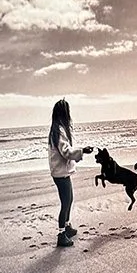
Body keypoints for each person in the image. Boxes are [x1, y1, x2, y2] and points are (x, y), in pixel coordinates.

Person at [47, 98, 91, 248]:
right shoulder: (58, 131)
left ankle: (67, 226)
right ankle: (61, 234)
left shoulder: (57, 129)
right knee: (65, 203)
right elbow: (66, 152)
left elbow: (66, 151)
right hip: (60, 173)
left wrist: (80, 150)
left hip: (61, 172)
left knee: (69, 199)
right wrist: (82, 151)